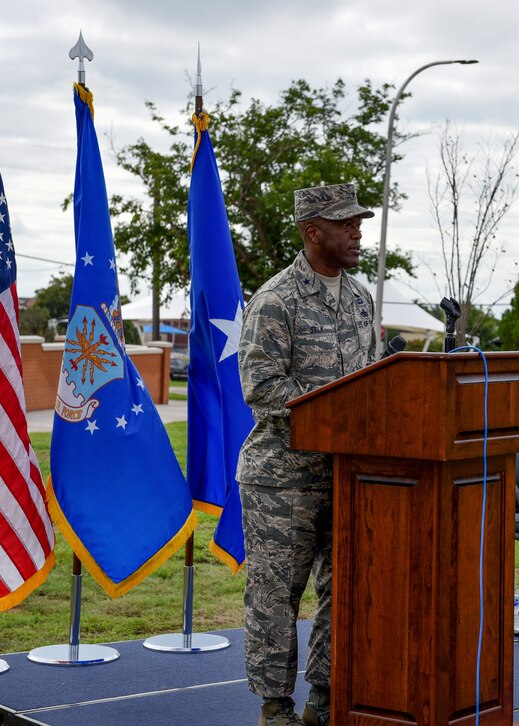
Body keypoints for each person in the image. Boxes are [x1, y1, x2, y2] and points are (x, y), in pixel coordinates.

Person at [237, 183, 377, 726]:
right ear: (312, 232)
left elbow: (368, 377)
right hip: (283, 480)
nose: (357, 232)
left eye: (358, 222)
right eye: (346, 224)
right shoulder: (276, 300)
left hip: (348, 474)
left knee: (343, 590)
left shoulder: (361, 298)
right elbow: (263, 387)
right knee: (276, 599)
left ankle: (325, 697)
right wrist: (336, 415)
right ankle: (276, 709)